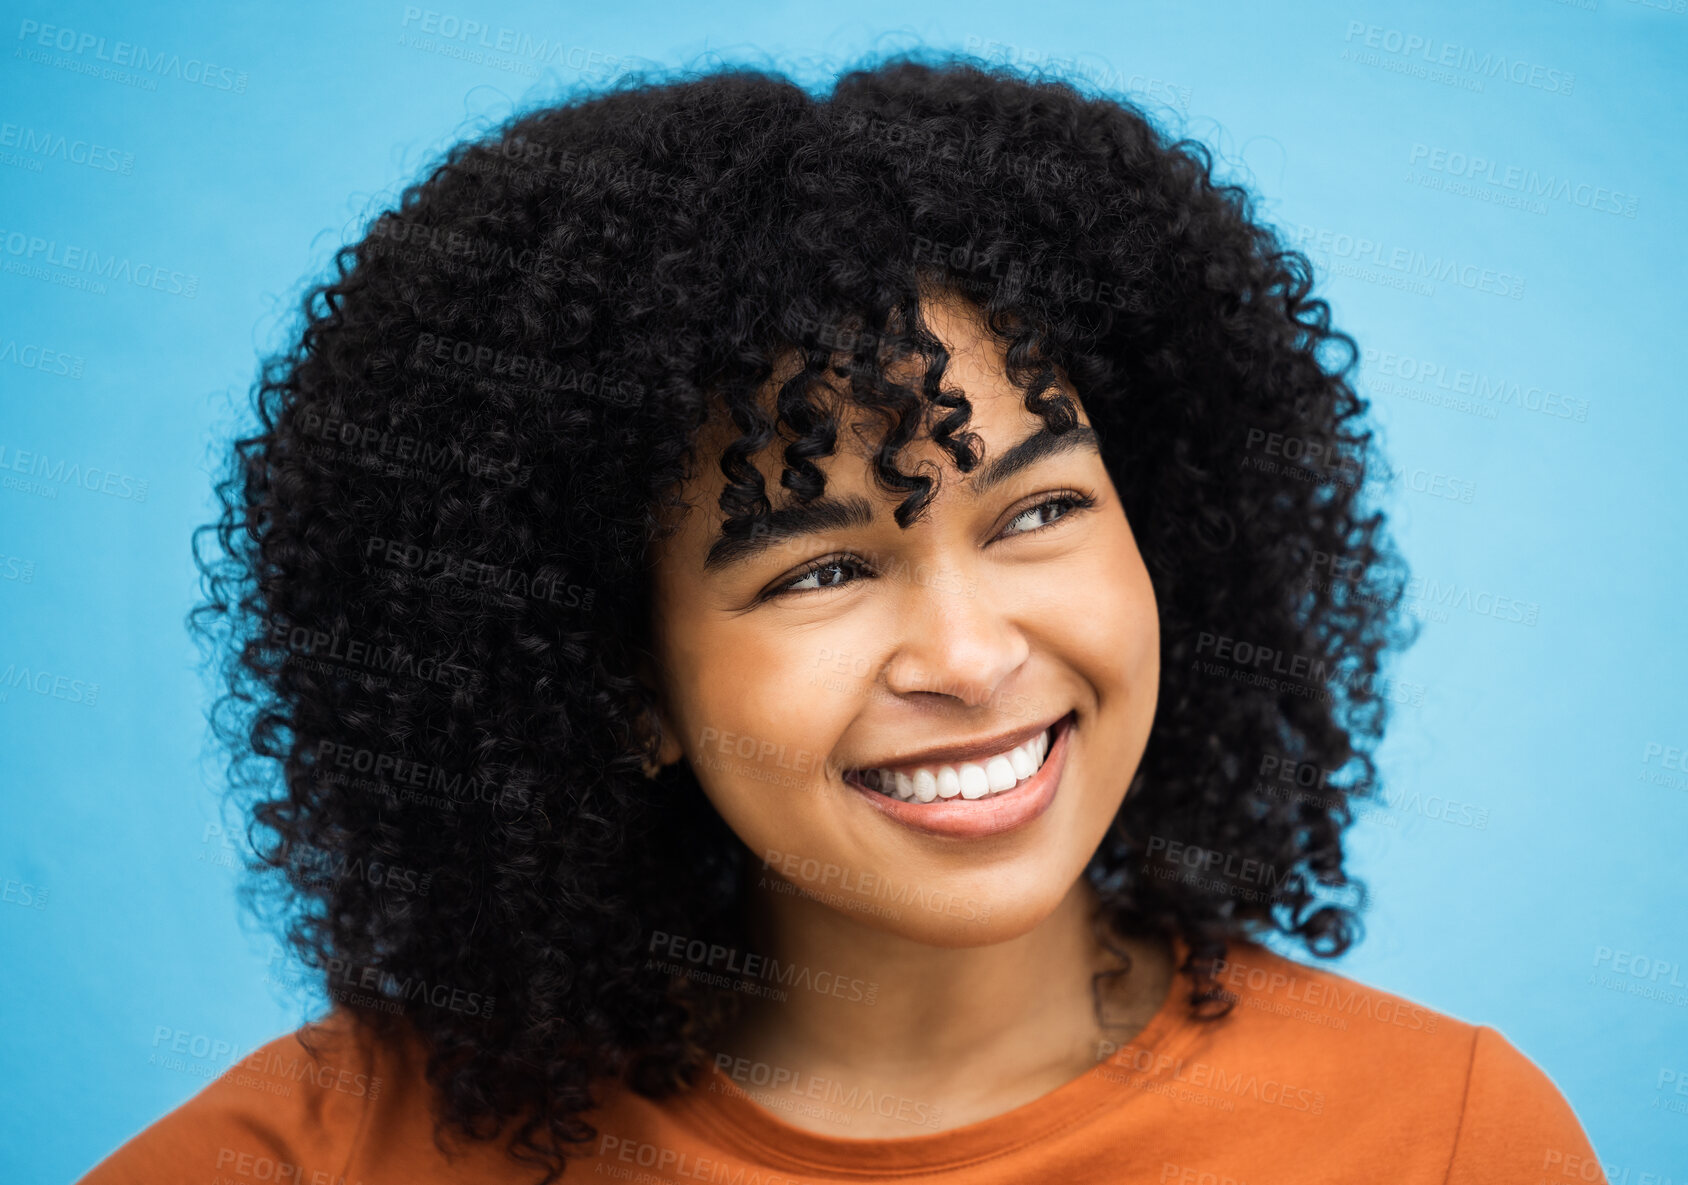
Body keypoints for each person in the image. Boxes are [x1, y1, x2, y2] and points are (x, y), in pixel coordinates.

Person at [78, 54, 1605, 1185]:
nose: (973, 655)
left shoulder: (1445, 1138)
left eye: (1038, 510)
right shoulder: (332, 1151)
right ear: (620, 684)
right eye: (819, 569)